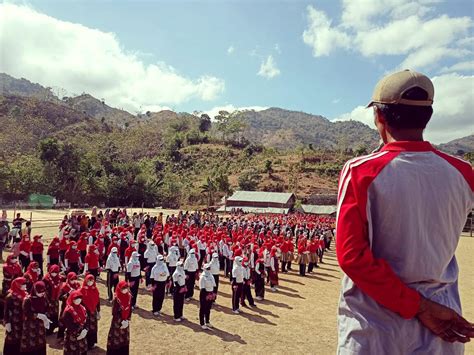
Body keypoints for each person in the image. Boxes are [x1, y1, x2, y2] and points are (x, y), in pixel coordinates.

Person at [336, 69, 474, 354]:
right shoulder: (463, 172)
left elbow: (352, 258)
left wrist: (417, 306)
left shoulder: (360, 172)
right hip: (442, 323)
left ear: (379, 117)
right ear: (429, 116)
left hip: (373, 325)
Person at [20, 281, 50, 355]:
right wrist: (37, 315)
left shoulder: (44, 298)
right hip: (30, 326)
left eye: (43, 292)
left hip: (40, 326)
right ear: (35, 290)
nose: (42, 293)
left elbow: (47, 307)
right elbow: (26, 312)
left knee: (40, 343)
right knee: (30, 344)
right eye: (40, 292)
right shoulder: (28, 300)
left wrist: (46, 318)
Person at [107, 280, 132, 355]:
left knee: (124, 338)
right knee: (116, 339)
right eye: (123, 288)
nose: (125, 290)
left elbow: (130, 309)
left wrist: (127, 320)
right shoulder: (116, 299)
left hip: (125, 322)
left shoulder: (129, 296)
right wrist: (121, 321)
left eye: (126, 288)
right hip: (117, 323)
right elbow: (114, 313)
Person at [3, 277, 27, 355]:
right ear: (18, 285)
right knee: (12, 339)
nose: (25, 285)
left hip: (22, 321)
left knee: (21, 339)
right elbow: (6, 311)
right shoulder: (10, 297)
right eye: (23, 284)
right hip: (13, 322)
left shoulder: (25, 294)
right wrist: (7, 323)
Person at [61, 290, 88, 355]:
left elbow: (86, 320)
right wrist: (79, 334)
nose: (78, 300)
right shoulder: (68, 311)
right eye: (76, 298)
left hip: (82, 335)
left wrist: (86, 329)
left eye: (80, 298)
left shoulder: (82, 308)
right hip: (71, 336)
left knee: (82, 352)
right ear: (72, 299)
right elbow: (69, 324)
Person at [57, 272, 80, 341]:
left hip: (75, 307)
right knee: (63, 320)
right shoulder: (65, 287)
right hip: (66, 307)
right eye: (72, 279)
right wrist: (67, 294)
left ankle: (72, 336)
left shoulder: (77, 285)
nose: (74, 281)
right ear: (68, 279)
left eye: (75, 279)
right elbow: (60, 297)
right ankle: (60, 337)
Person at [80, 274, 100, 350]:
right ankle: (86, 343)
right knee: (86, 327)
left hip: (93, 312)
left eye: (92, 280)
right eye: (88, 281)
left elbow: (98, 301)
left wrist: (98, 311)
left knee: (93, 327)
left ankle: (92, 343)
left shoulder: (95, 289)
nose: (90, 282)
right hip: (85, 312)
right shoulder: (82, 290)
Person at [43, 264, 61, 334]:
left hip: (55, 300)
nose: (54, 274)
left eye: (56, 272)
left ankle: (53, 328)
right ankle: (47, 330)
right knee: (48, 314)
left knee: (54, 314)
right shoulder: (46, 279)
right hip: (47, 300)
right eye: (53, 272)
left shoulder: (58, 278)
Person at [198, 262, 216, 330]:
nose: (209, 269)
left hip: (210, 293)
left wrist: (212, 293)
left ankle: (207, 321)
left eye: (209, 268)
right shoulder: (202, 277)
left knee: (208, 308)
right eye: (207, 268)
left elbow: (213, 285)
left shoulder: (211, 275)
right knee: (203, 309)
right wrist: (206, 295)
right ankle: (202, 323)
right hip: (204, 294)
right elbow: (202, 288)